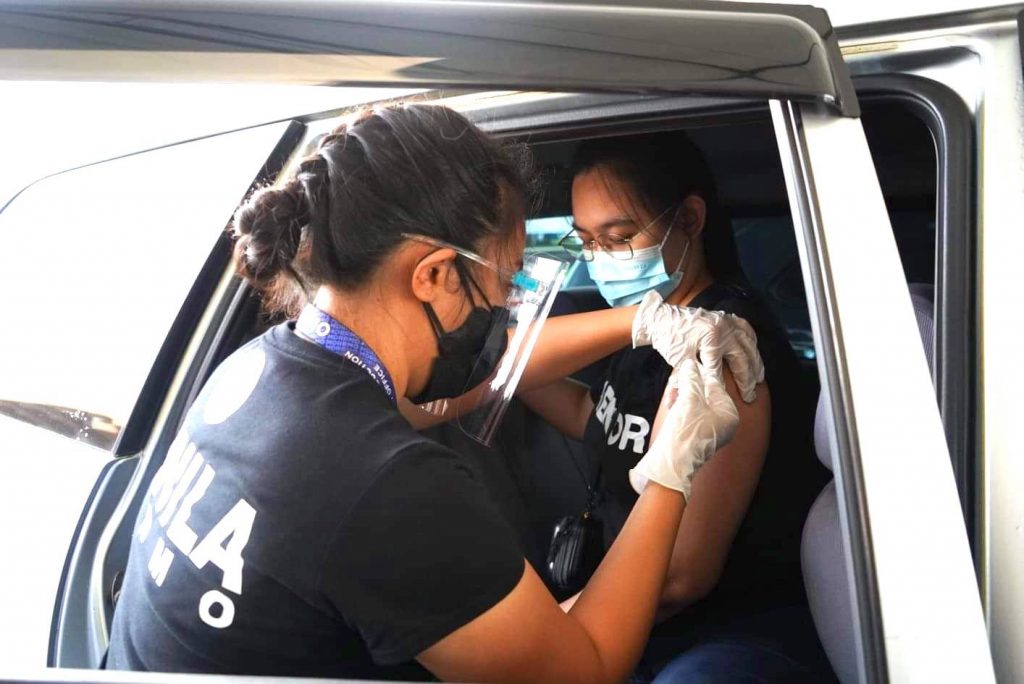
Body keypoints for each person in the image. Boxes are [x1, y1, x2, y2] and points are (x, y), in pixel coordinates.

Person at [104, 104, 762, 682]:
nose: (505, 310)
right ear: (435, 275)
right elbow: (580, 671)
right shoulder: (385, 483)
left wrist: (642, 319)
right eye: (502, 286)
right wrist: (673, 470)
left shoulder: (260, 371)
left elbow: (472, 383)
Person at [518, 132, 833, 683]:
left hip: (727, 629)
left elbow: (682, 577)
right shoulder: (655, 325)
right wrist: (514, 374)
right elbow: (601, 420)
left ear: (688, 218)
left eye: (618, 238)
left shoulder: (721, 346)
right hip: (649, 615)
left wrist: (541, 637)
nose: (599, 262)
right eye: (586, 242)